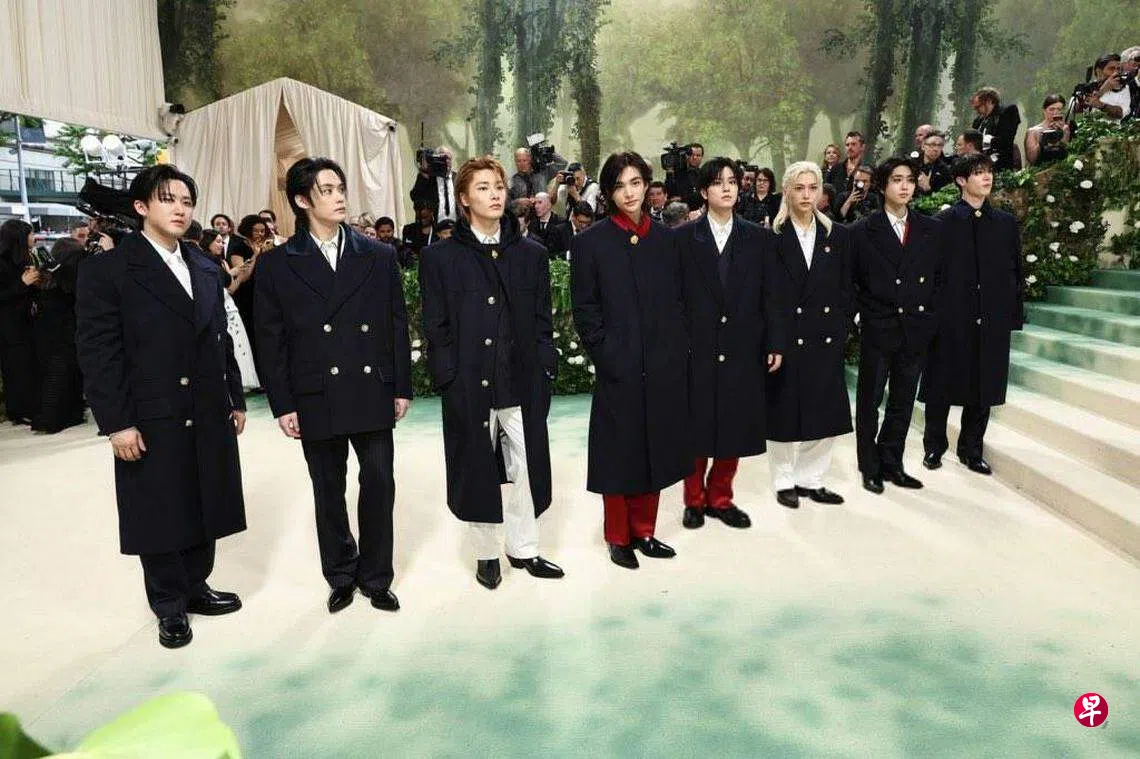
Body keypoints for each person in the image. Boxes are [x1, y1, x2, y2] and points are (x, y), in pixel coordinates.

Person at [76, 165, 247, 649]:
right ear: (141, 207)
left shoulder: (204, 267)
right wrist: (117, 423)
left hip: (208, 403)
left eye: (187, 201)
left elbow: (220, 339)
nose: (180, 209)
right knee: (160, 505)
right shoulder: (109, 270)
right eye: (168, 199)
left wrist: (234, 398)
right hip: (150, 409)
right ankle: (169, 604)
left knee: (205, 495)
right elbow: (99, 353)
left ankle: (196, 585)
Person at [256, 156, 412, 614]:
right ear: (302, 200)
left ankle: (377, 576)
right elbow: (271, 340)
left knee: (379, 480)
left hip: (370, 386)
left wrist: (401, 385)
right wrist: (283, 403)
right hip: (314, 391)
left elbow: (396, 324)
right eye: (327, 190)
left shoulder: (378, 255)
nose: (339, 196)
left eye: (340, 187)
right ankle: (341, 573)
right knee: (328, 487)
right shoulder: (277, 264)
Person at [420, 156, 564, 590]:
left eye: (499, 185)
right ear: (464, 199)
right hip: (468, 383)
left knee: (528, 464)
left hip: (522, 380)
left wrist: (546, 366)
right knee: (476, 469)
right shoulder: (440, 258)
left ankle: (524, 547)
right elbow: (436, 326)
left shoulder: (531, 254)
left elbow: (542, 320)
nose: (496, 194)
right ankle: (486, 554)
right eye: (483, 187)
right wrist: (448, 378)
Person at [571, 151, 690, 569]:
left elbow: (679, 303)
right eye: (620, 185)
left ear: (647, 185)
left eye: (636, 183)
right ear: (608, 192)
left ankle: (645, 532)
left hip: (661, 366)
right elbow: (585, 311)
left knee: (655, 445)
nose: (629, 193)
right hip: (618, 368)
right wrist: (608, 355)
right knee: (619, 451)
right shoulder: (590, 243)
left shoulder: (667, 241)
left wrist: (674, 353)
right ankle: (618, 536)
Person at [676, 157, 785, 530]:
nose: (726, 188)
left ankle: (720, 498)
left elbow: (773, 296)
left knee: (734, 424)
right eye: (718, 182)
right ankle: (693, 500)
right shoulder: (682, 239)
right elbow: (672, 299)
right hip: (696, 347)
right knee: (694, 426)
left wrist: (775, 341)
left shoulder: (760, 238)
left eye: (733, 182)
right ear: (703, 191)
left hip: (743, 346)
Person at [920, 153, 1022, 475]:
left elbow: (1014, 272)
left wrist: (1011, 316)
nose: (987, 177)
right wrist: (932, 317)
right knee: (941, 383)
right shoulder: (942, 222)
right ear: (961, 180)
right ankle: (934, 446)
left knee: (984, 385)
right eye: (978, 173)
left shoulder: (1005, 223)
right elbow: (930, 275)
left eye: (989, 171)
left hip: (991, 316)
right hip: (951, 317)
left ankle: (972, 450)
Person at [850, 157, 944, 494]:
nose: (904, 186)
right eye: (896, 180)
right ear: (881, 185)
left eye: (909, 180)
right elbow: (850, 282)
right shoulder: (861, 231)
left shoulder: (931, 229)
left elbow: (939, 278)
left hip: (916, 326)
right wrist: (862, 315)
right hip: (879, 326)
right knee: (870, 401)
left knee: (903, 401)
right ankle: (869, 466)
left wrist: (930, 317)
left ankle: (892, 463)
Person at [765, 161, 853, 509]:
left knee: (824, 411)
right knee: (784, 412)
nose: (806, 195)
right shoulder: (771, 238)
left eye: (812, 188)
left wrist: (842, 328)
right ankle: (784, 479)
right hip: (787, 338)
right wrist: (773, 341)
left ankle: (812, 478)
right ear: (787, 191)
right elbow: (767, 296)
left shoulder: (838, 236)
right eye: (799, 188)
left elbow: (846, 288)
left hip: (826, 336)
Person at [30, 236, 87, 432]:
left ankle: (54, 415)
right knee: (63, 374)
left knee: (55, 375)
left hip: (47, 333)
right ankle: (55, 417)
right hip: (65, 332)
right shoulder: (70, 275)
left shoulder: (48, 275)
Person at [200, 229, 260, 391]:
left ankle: (243, 381)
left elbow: (232, 288)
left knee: (239, 344)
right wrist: (233, 273)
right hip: (218, 306)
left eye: (222, 242)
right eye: (218, 242)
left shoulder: (223, 262)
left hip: (230, 305)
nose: (221, 245)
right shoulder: (203, 262)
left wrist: (239, 274)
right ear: (208, 243)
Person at [0, 219, 40, 424]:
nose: (34, 238)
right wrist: (22, 284)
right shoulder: (2, 263)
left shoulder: (25, 258)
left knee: (28, 365)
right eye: (30, 234)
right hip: (9, 327)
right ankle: (18, 410)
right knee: (15, 367)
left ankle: (29, 406)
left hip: (26, 322)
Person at [970, 87, 1021, 170]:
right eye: (975, 108)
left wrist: (987, 140)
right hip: (980, 164)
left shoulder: (1007, 111)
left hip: (1000, 164)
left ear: (989, 101)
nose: (977, 111)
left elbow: (1006, 140)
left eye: (979, 107)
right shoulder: (978, 120)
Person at [410, 146, 458, 223]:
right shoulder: (428, 177)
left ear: (452, 160)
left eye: (447, 158)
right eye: (441, 159)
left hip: (456, 225)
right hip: (434, 225)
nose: (445, 161)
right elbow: (415, 196)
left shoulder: (457, 178)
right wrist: (425, 173)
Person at [1024, 95, 1072, 167]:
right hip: (1040, 170)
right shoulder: (1033, 131)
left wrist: (1061, 133)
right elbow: (1032, 159)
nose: (1055, 112)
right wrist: (1043, 139)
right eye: (1051, 109)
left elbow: (1067, 153)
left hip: (1060, 168)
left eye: (1059, 109)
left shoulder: (1065, 129)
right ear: (1044, 110)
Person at [528, 191, 571, 259]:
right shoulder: (531, 223)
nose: (536, 206)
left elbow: (566, 249)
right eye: (535, 203)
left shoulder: (561, 223)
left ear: (549, 205)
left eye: (540, 202)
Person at [665, 143, 704, 210]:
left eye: (698, 155)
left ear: (702, 157)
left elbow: (702, 195)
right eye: (691, 155)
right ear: (685, 156)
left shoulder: (704, 174)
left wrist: (682, 199)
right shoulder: (675, 174)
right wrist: (669, 173)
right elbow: (668, 193)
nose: (694, 157)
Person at [916, 132, 953, 196]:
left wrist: (928, 189)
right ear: (923, 146)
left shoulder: (945, 170)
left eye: (939, 145)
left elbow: (945, 195)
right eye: (932, 145)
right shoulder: (912, 163)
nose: (936, 149)